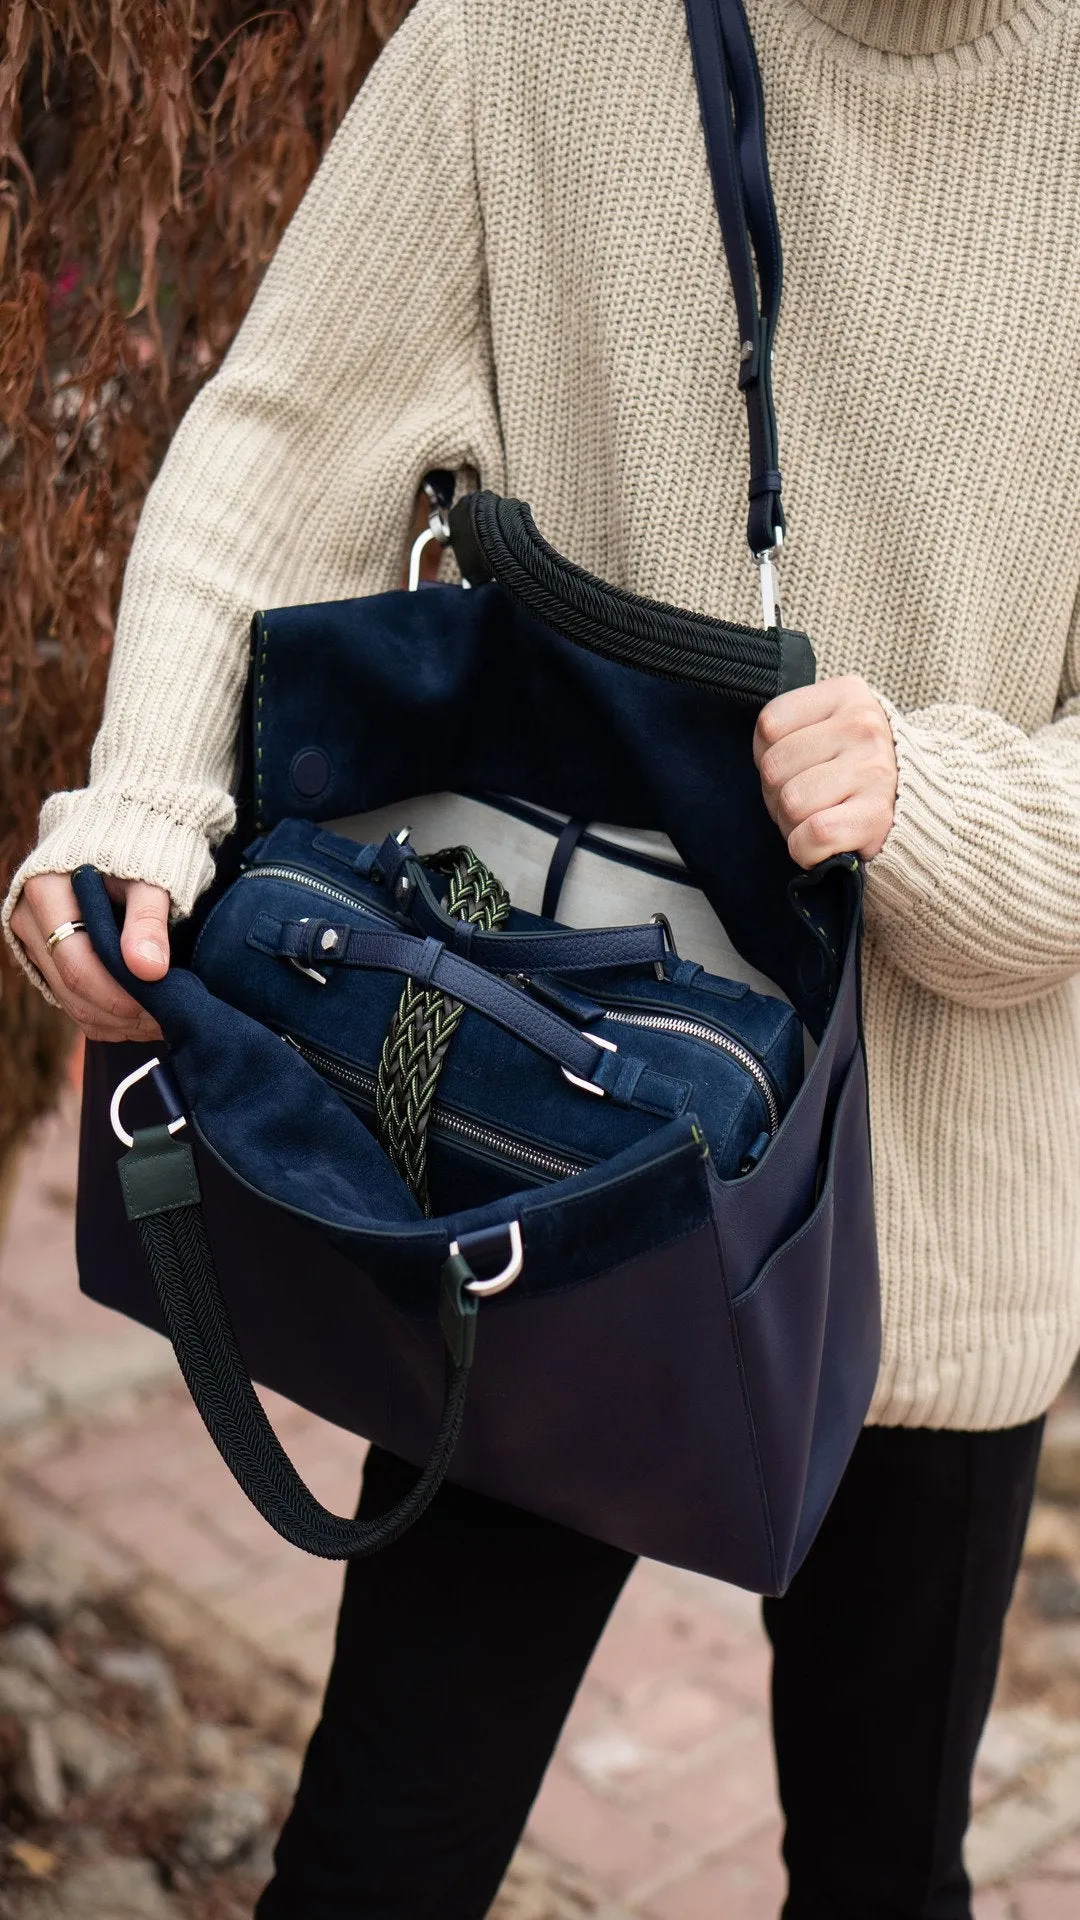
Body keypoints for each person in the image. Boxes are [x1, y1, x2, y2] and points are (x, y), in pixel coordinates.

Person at [6, 0, 1080, 1912]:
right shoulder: (537, 34)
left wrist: (941, 799)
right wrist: (143, 804)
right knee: (381, 1856)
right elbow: (282, 440)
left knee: (884, 1872)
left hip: (943, 1212)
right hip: (545, 1158)